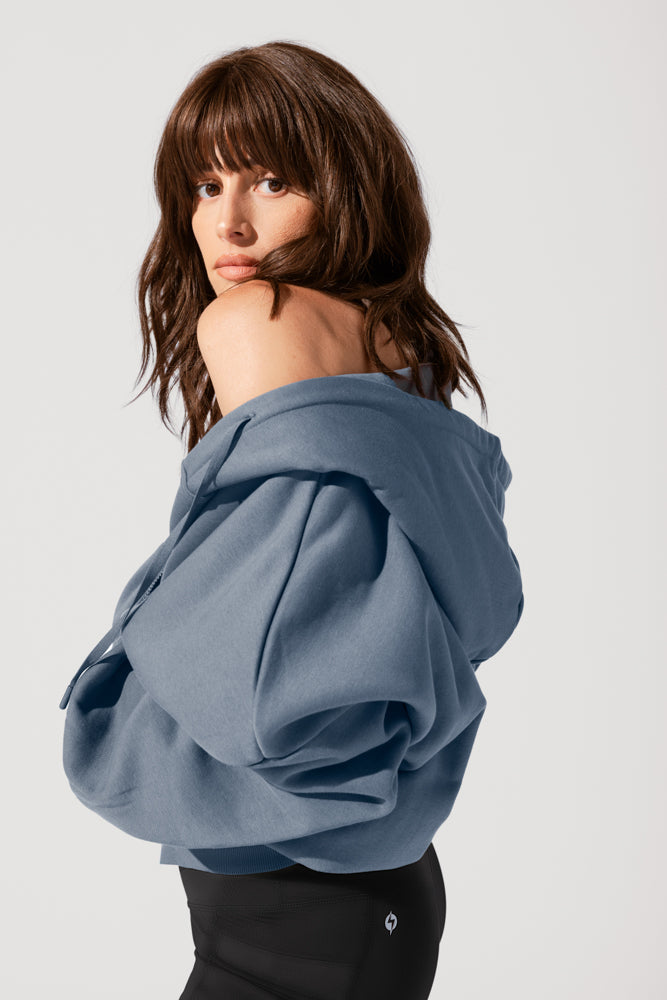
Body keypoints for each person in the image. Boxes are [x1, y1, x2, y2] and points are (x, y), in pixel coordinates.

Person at [58, 40, 524, 999]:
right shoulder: (398, 343)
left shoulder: (253, 321)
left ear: (342, 188)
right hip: (367, 896)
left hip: (293, 916)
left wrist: (138, 651)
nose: (227, 223)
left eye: (271, 182)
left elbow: (257, 676)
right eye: (205, 186)